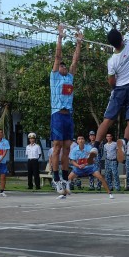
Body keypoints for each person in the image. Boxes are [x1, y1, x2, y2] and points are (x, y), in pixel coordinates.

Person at [90, 0, 129, 160]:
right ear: (121, 37)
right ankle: (125, 141)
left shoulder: (111, 61)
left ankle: (95, 147)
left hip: (119, 89)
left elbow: (111, 80)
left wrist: (116, 87)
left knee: (107, 119)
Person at [49, 25, 83, 194]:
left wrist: (79, 43)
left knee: (67, 147)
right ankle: (55, 179)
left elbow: (75, 60)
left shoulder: (70, 76)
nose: (62, 67)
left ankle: (64, 178)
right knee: (57, 146)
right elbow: (57, 56)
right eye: (60, 66)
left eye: (64, 66)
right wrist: (60, 37)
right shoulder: (55, 77)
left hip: (68, 115)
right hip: (57, 113)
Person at [64, 135, 114, 200]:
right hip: (78, 168)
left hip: (90, 167)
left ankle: (110, 193)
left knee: (101, 177)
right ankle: (64, 194)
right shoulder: (74, 150)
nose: (81, 140)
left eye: (82, 139)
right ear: (77, 141)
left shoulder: (89, 148)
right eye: (79, 139)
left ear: (84, 141)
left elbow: (92, 160)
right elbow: (72, 161)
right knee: (68, 179)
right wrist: (78, 166)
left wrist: (85, 164)